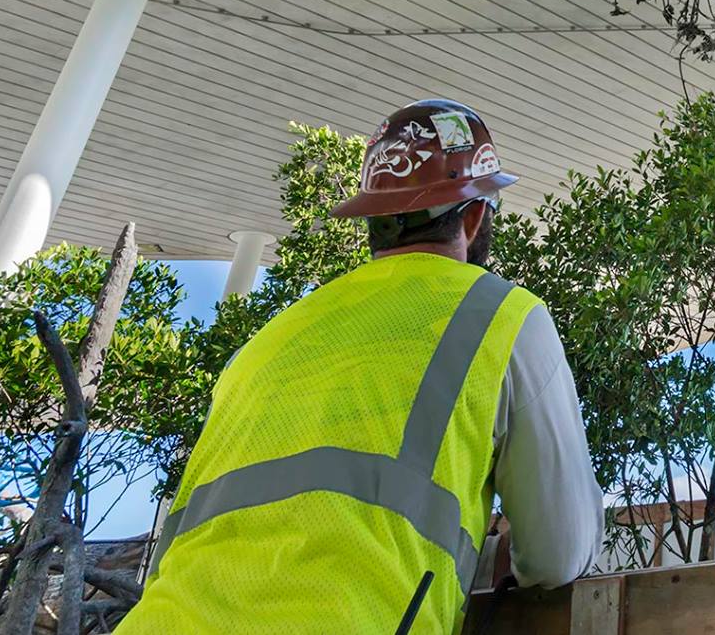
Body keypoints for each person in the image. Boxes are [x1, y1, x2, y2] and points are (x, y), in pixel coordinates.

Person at [120, 100, 603, 634]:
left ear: (372, 217)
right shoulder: (501, 315)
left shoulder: (271, 336)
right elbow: (561, 553)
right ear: (473, 215)